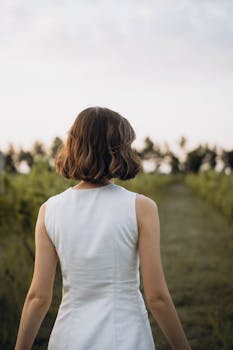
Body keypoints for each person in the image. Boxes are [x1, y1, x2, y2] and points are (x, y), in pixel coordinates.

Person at [14, 106, 192, 350]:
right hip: (127, 338)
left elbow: (38, 297)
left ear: (73, 146)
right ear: (119, 151)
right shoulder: (141, 207)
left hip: (68, 338)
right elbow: (156, 297)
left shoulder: (50, 210)